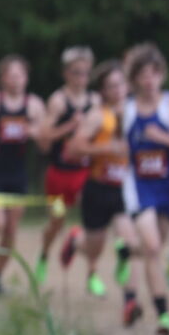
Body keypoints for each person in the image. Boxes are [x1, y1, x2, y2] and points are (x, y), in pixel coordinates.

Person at [119, 43, 169, 335]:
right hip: (137, 186)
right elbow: (114, 142)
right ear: (135, 79)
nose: (149, 80)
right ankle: (164, 315)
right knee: (153, 248)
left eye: (154, 74)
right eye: (143, 75)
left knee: (155, 246)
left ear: (162, 76)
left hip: (168, 186)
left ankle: (126, 252)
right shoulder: (125, 109)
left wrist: (164, 138)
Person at [69, 61, 135, 302]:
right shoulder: (98, 116)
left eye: (120, 84)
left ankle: (129, 296)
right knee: (94, 248)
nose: (117, 90)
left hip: (125, 190)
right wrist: (106, 147)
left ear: (127, 85)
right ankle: (76, 242)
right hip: (98, 189)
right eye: (110, 86)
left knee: (130, 241)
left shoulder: (136, 111)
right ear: (103, 92)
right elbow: (75, 147)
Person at [0, 55, 45, 293]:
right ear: (3, 78)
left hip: (18, 174)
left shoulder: (34, 105)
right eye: (11, 75)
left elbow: (46, 136)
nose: (16, 80)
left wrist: (36, 132)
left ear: (26, 78)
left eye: (20, 75)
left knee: (10, 230)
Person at [38, 46, 96, 276]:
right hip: (59, 175)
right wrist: (69, 126)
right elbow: (43, 137)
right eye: (76, 72)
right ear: (66, 74)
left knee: (92, 220)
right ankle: (44, 254)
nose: (81, 77)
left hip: (84, 173)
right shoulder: (58, 101)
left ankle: (92, 272)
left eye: (85, 72)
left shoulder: (96, 101)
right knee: (56, 222)